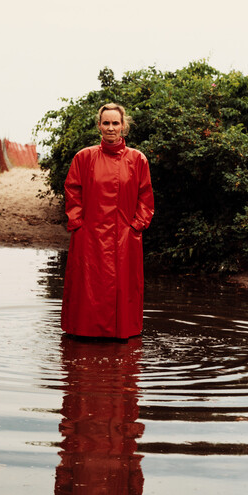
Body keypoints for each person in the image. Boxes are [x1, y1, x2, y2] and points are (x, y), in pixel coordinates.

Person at [60, 103, 155, 339]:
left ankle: (123, 332)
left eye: (115, 123)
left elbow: (146, 196)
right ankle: (83, 333)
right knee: (87, 287)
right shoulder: (84, 157)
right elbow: (72, 191)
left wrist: (136, 226)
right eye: (106, 123)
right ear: (99, 126)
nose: (110, 128)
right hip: (89, 236)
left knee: (124, 288)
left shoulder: (138, 159)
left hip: (125, 237)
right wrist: (78, 223)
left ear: (124, 126)